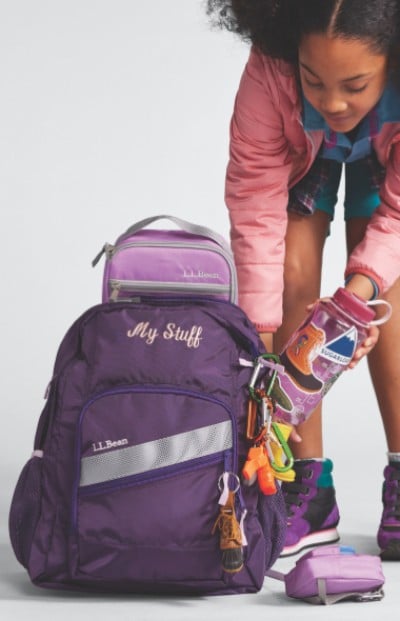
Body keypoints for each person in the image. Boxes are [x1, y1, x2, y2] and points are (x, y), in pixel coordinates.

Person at [207, 0, 400, 559]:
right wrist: (262, 351)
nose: (333, 102)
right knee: (292, 275)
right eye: (314, 80)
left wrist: (354, 302)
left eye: (355, 84)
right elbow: (254, 201)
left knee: (386, 292)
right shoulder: (271, 68)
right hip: (303, 155)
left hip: (388, 160)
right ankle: (304, 486)